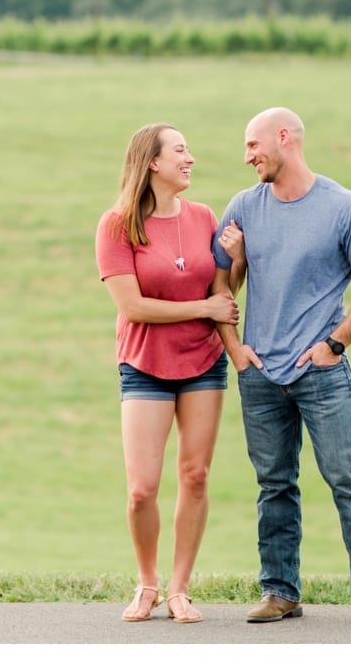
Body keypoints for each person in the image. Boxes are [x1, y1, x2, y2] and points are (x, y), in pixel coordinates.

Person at [211, 106, 351, 628]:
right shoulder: (244, 208)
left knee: (348, 478)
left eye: (253, 145)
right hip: (261, 375)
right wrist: (235, 349)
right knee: (274, 484)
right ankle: (280, 592)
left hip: (321, 374)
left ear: (284, 137)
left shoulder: (345, 207)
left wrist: (334, 345)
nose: (247, 157)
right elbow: (221, 287)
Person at [95, 122, 242, 624]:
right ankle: (147, 583)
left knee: (195, 476)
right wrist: (204, 308)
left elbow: (226, 295)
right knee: (142, 487)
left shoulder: (203, 217)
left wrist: (236, 260)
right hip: (144, 365)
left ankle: (180, 588)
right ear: (153, 162)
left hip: (202, 363)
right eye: (180, 150)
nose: (191, 158)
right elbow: (133, 306)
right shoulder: (117, 225)